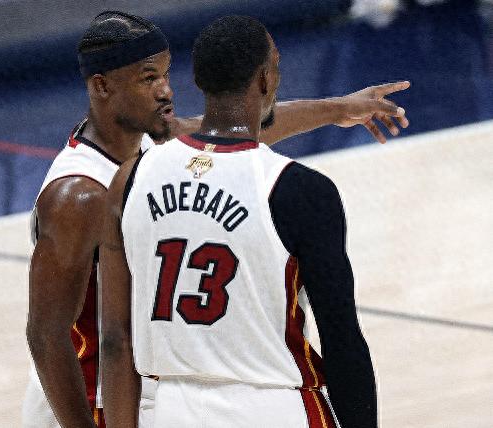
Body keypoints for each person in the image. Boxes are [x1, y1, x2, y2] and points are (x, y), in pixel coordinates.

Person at [27, 10, 408, 428]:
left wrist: (340, 109)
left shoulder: (150, 152)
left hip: (151, 389)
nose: (165, 90)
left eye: (167, 74)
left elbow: (234, 131)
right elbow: (46, 336)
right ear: (102, 86)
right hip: (86, 398)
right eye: (148, 78)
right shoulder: (79, 195)